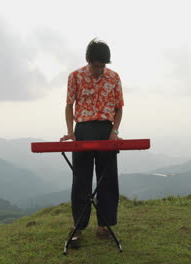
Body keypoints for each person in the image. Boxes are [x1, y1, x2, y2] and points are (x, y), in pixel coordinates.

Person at [60, 38, 124, 247]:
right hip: (84, 129)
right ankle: (78, 226)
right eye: (96, 65)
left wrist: (114, 131)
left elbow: (119, 108)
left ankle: (103, 225)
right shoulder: (76, 76)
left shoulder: (113, 78)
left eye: (103, 66)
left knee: (107, 179)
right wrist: (71, 132)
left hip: (106, 130)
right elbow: (69, 105)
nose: (99, 70)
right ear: (88, 60)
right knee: (81, 180)